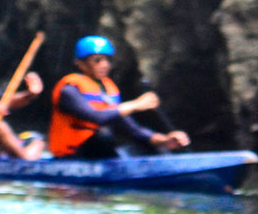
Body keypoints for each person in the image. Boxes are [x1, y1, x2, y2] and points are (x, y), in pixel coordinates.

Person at [47, 36, 190, 158]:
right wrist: (136, 104)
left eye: (107, 60)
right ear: (80, 63)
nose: (105, 65)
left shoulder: (108, 90)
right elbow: (98, 117)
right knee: (104, 135)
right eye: (97, 60)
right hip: (72, 155)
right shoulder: (69, 91)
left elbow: (132, 129)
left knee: (150, 146)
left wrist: (164, 140)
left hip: (99, 152)